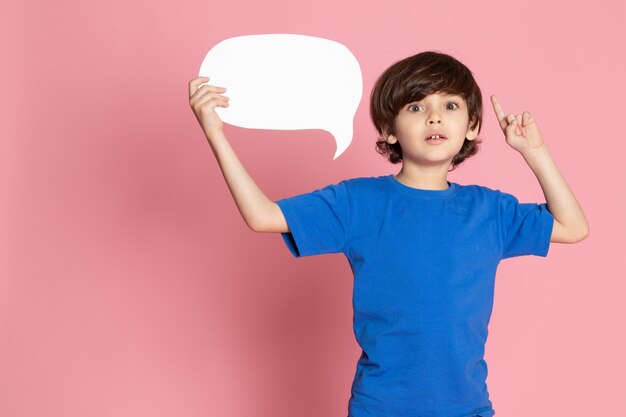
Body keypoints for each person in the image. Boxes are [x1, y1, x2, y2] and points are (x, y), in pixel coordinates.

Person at [188, 50, 589, 417]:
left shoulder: (491, 211)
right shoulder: (357, 201)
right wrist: (215, 133)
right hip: (380, 408)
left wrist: (533, 150)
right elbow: (262, 215)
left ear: (472, 126)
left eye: (450, 105)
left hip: (468, 408)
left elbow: (573, 227)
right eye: (416, 106)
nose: (434, 117)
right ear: (390, 130)